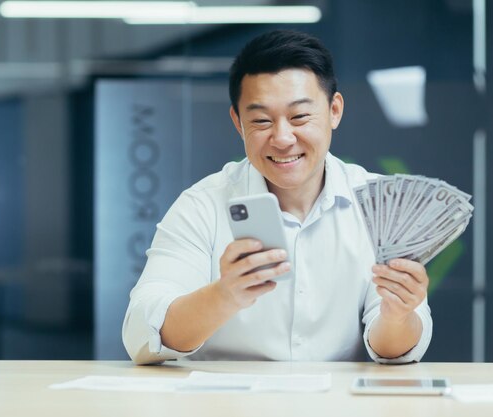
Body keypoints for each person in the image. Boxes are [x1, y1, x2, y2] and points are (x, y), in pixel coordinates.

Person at [122, 29, 432, 365]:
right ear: (238, 122)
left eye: (299, 117)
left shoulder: (382, 206)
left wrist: (397, 316)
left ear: (334, 110)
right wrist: (224, 296)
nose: (282, 138)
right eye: (261, 120)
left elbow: (395, 350)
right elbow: (141, 334)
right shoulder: (203, 205)